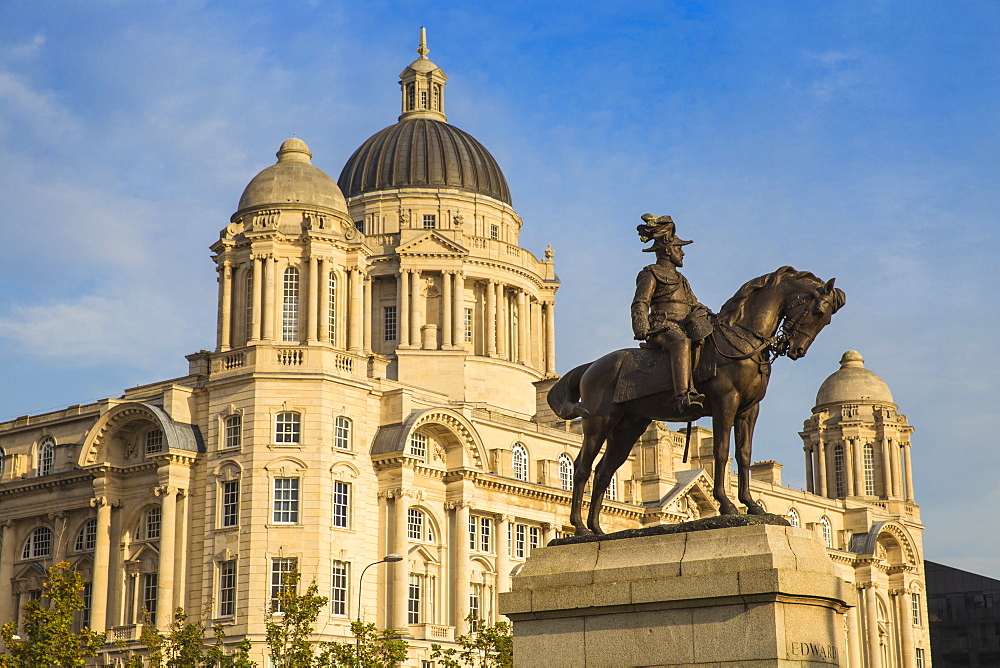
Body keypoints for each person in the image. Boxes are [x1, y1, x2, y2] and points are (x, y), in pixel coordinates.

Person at [630, 214, 712, 412]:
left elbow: (693, 303)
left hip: (684, 325)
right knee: (681, 343)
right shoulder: (650, 273)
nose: (682, 253)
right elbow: (640, 302)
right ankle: (684, 395)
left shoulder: (681, 278)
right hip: (662, 325)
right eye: (679, 248)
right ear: (668, 250)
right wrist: (641, 325)